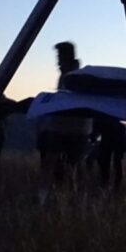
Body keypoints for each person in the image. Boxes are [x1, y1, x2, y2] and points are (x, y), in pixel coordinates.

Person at [37, 42, 92, 188]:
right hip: (71, 129)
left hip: (69, 129)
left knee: (65, 165)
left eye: (60, 56)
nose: (58, 61)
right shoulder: (69, 76)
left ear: (67, 56)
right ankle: (67, 197)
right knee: (70, 166)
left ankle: (63, 196)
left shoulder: (75, 77)